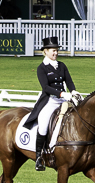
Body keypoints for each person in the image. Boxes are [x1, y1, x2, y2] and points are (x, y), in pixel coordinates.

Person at [26, 38, 80, 171]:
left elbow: (69, 81)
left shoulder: (62, 65)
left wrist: (73, 91)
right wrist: (62, 94)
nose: (56, 53)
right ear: (46, 52)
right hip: (50, 100)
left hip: (64, 99)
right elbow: (46, 87)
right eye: (53, 51)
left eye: (56, 50)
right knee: (43, 124)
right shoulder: (42, 68)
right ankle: (39, 157)